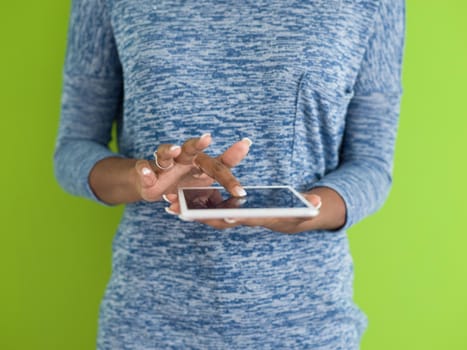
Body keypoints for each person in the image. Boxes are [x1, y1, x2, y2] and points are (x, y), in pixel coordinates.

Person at [54, 0, 405, 348]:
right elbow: (74, 147)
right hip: (148, 324)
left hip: (308, 327)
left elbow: (372, 164)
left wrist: (310, 210)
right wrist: (142, 178)